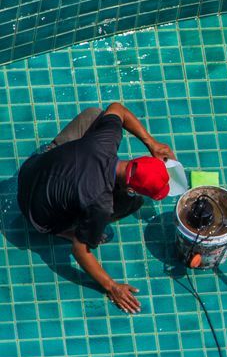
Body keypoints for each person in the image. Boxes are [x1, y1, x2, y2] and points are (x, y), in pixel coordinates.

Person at [16, 103, 174, 314]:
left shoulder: (107, 140)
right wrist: (112, 286)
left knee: (95, 116)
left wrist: (151, 142)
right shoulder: (100, 203)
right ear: (129, 186)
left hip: (32, 170)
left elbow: (117, 108)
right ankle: (64, 230)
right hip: (37, 216)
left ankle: (54, 153)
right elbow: (79, 251)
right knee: (131, 203)